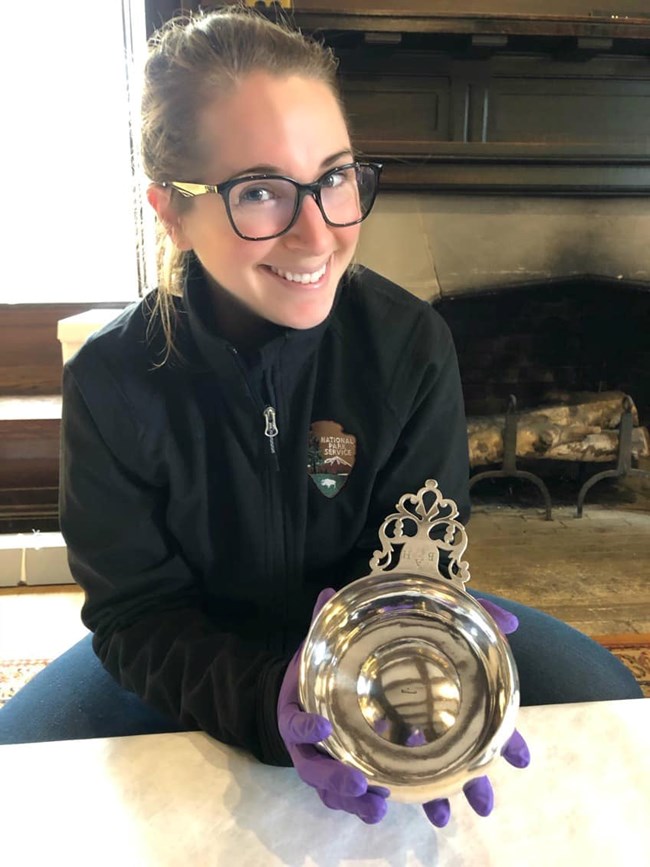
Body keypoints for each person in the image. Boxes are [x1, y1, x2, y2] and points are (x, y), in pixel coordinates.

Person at [0, 5, 641, 828]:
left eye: (335, 177)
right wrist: (268, 695)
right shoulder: (111, 380)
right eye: (260, 191)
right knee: (19, 769)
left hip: (364, 643)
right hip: (193, 645)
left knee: (606, 697)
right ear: (172, 211)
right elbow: (134, 613)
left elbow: (412, 565)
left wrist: (425, 644)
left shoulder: (410, 344)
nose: (318, 234)